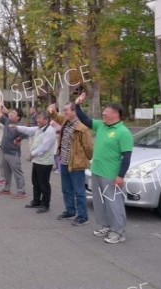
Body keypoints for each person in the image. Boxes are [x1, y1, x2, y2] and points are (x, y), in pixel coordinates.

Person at [74, 92, 133, 244]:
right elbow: (85, 119)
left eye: (106, 111)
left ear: (115, 114)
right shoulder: (101, 125)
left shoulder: (123, 132)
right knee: (99, 203)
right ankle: (106, 226)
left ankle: (118, 232)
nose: (103, 113)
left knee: (114, 204)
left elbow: (127, 156)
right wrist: (77, 105)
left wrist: (121, 176)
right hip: (97, 171)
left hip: (111, 175)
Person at [48, 102, 94, 226]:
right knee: (66, 189)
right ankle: (70, 211)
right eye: (63, 110)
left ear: (74, 111)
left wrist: (86, 159)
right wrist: (52, 111)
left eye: (66, 110)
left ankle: (83, 216)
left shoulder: (82, 128)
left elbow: (89, 147)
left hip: (76, 164)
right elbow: (57, 117)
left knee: (79, 191)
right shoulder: (65, 122)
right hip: (64, 162)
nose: (64, 112)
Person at [14, 111, 57, 213]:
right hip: (37, 161)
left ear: (46, 120)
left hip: (45, 162)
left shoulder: (50, 131)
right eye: (37, 118)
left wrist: (32, 154)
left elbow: (44, 147)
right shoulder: (39, 128)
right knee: (35, 182)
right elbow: (28, 130)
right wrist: (16, 127)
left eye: (39, 119)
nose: (37, 120)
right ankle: (36, 201)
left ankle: (45, 204)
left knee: (44, 184)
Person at [0, 99, 28, 199]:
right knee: (6, 172)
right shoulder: (7, 121)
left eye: (13, 114)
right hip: (5, 151)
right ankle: (6, 189)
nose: (11, 114)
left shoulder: (20, 126)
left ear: (18, 118)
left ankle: (21, 191)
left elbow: (26, 134)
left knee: (17, 172)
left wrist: (19, 138)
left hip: (13, 153)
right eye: (11, 112)